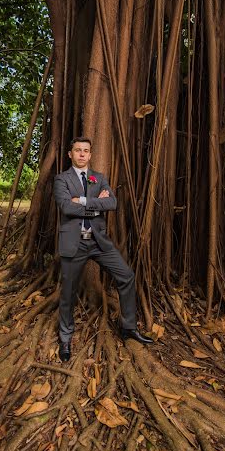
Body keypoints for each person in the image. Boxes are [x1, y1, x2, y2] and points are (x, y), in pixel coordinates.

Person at [54, 137, 153, 362]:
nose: (81, 154)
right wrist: (94, 205)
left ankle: (128, 327)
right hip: (74, 243)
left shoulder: (99, 178)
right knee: (68, 291)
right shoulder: (62, 179)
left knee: (126, 276)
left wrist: (81, 200)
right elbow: (66, 207)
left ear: (90, 155)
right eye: (77, 150)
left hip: (99, 243)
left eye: (86, 151)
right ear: (70, 154)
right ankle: (65, 337)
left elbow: (112, 203)